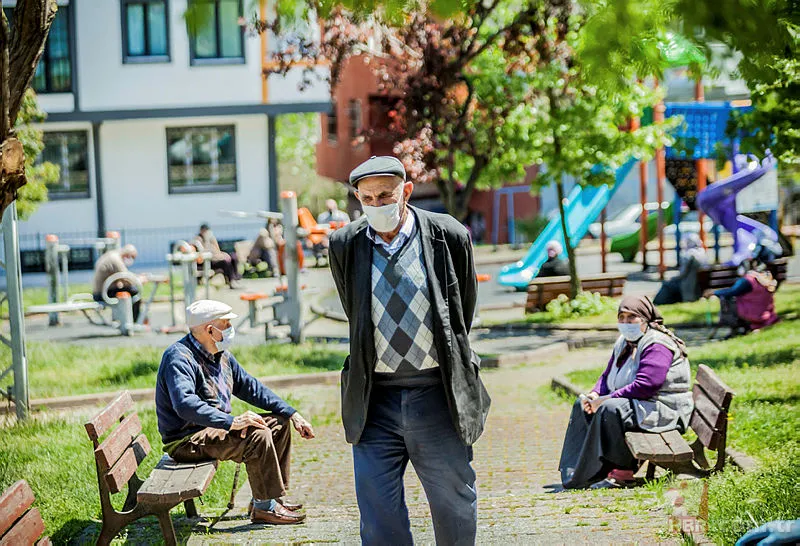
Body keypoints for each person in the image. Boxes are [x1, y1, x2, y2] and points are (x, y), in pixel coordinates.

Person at [329, 155, 491, 545]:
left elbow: (461, 311)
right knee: (377, 508)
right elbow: (357, 314)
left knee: (453, 501)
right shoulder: (345, 244)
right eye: (367, 198)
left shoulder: (446, 234)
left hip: (437, 392)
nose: (377, 205)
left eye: (386, 195)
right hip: (375, 397)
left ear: (406, 191)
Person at [155, 300, 316, 525]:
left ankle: (272, 497)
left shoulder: (221, 355)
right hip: (186, 440)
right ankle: (264, 508)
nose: (231, 329)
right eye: (226, 324)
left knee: (278, 424)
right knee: (257, 436)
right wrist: (231, 422)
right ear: (210, 330)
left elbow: (251, 387)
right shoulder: (179, 357)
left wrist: (292, 414)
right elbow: (184, 404)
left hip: (210, 432)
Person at [559, 295, 693, 489]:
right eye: (621, 317)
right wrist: (596, 394)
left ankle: (621, 471)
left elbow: (647, 385)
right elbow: (606, 376)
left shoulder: (658, 344)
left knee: (612, 409)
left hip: (664, 409)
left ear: (645, 319)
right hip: (641, 406)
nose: (625, 322)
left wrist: (606, 399)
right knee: (582, 404)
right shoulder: (624, 342)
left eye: (632, 317)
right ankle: (577, 470)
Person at [705, 260, 778, 333]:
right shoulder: (765, 278)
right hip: (767, 314)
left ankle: (735, 329)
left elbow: (732, 291)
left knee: (727, 301)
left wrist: (714, 292)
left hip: (752, 313)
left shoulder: (748, 280)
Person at [654, 233, 709, 305]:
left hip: (689, 285)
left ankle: (656, 303)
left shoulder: (689, 255)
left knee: (667, 285)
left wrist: (672, 278)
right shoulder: (703, 253)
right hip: (699, 286)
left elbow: (682, 274)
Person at [92, 244, 141, 321]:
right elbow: (127, 278)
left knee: (127, 289)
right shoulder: (115, 259)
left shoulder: (112, 255)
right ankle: (133, 320)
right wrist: (139, 279)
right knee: (134, 291)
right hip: (102, 293)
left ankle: (120, 318)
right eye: (132, 257)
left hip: (101, 290)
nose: (132, 260)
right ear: (127, 255)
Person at [192, 223, 241, 288]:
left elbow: (217, 250)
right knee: (225, 262)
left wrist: (222, 254)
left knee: (232, 257)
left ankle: (235, 278)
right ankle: (231, 281)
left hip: (213, 258)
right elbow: (204, 252)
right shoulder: (198, 239)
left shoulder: (211, 238)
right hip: (206, 261)